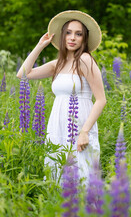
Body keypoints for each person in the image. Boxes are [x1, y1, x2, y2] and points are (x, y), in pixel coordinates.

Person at [17, 10, 106, 184]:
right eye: (68, 33)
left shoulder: (85, 60)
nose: (72, 37)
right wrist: (40, 46)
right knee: (56, 173)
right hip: (57, 126)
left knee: (81, 174)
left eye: (78, 34)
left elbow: (101, 99)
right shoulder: (58, 64)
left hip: (79, 125)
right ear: (63, 36)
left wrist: (84, 132)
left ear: (84, 39)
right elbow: (23, 74)